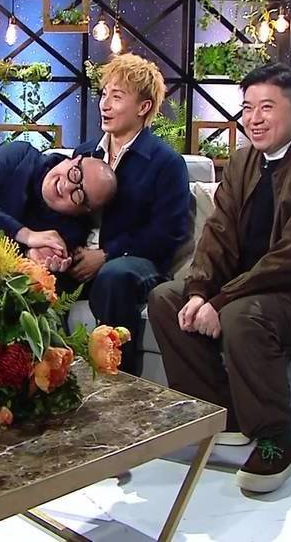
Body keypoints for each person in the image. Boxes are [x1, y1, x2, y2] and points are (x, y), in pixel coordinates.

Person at [147, 63, 291, 494]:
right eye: (247, 108)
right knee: (166, 298)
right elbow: (218, 234)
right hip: (251, 286)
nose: (254, 119)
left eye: (267, 107)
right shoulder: (244, 160)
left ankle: (276, 439)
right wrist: (199, 291)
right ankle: (219, 416)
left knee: (242, 315)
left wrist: (221, 301)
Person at [69, 53, 191, 376]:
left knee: (114, 276)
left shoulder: (166, 163)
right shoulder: (85, 153)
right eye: (104, 94)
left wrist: (107, 254)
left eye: (117, 97)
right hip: (82, 258)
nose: (105, 105)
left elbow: (167, 233)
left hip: (137, 264)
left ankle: (119, 383)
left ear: (143, 107)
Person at [0, 140, 118, 271]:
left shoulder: (67, 235)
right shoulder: (20, 154)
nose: (67, 186)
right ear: (74, 159)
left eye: (78, 194)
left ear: (83, 211)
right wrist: (26, 235)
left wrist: (31, 258)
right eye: (75, 174)